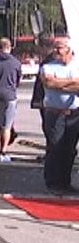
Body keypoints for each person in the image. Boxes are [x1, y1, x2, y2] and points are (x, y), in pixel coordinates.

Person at [39, 38, 79, 194]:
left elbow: (58, 84)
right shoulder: (47, 67)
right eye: (54, 48)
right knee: (55, 147)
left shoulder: (76, 66)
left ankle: (65, 182)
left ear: (69, 49)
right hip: (54, 114)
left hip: (74, 114)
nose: (55, 51)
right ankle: (52, 182)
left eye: (59, 48)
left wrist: (59, 83)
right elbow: (49, 84)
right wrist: (72, 83)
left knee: (69, 149)